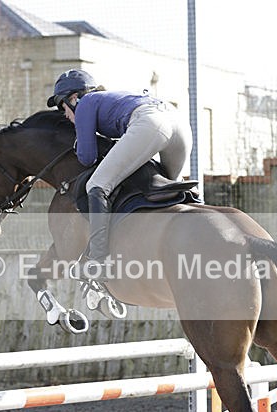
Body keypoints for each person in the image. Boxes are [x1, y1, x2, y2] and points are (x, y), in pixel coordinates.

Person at [47, 69, 192, 279]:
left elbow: (87, 158)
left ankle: (98, 261)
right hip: (179, 125)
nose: (66, 115)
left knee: (96, 185)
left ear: (74, 98)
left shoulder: (86, 103)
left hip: (150, 123)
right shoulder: (110, 98)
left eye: (64, 108)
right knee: (172, 190)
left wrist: (81, 140)